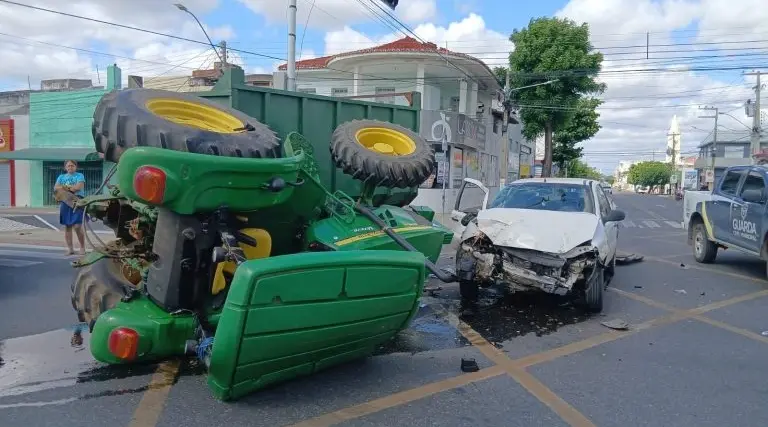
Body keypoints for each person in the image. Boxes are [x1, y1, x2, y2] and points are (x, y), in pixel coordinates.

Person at [54, 160, 86, 255]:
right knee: (67, 226)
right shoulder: (61, 177)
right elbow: (56, 188)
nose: (70, 167)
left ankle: (82, 247)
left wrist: (64, 187)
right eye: (68, 166)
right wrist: (70, 188)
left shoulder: (80, 176)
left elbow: (78, 187)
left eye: (72, 165)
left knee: (77, 226)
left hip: (77, 201)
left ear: (76, 167)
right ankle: (70, 249)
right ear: (65, 167)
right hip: (65, 202)